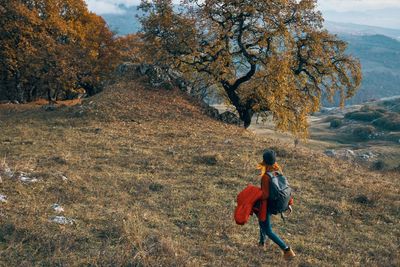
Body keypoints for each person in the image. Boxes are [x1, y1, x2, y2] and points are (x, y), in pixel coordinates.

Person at [256, 149, 295, 261]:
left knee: (268, 229)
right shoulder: (278, 172)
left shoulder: (265, 177)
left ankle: (287, 249)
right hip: (277, 203)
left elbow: (265, 195)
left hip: (267, 206)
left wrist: (255, 194)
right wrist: (289, 203)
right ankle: (261, 243)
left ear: (264, 161)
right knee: (262, 223)